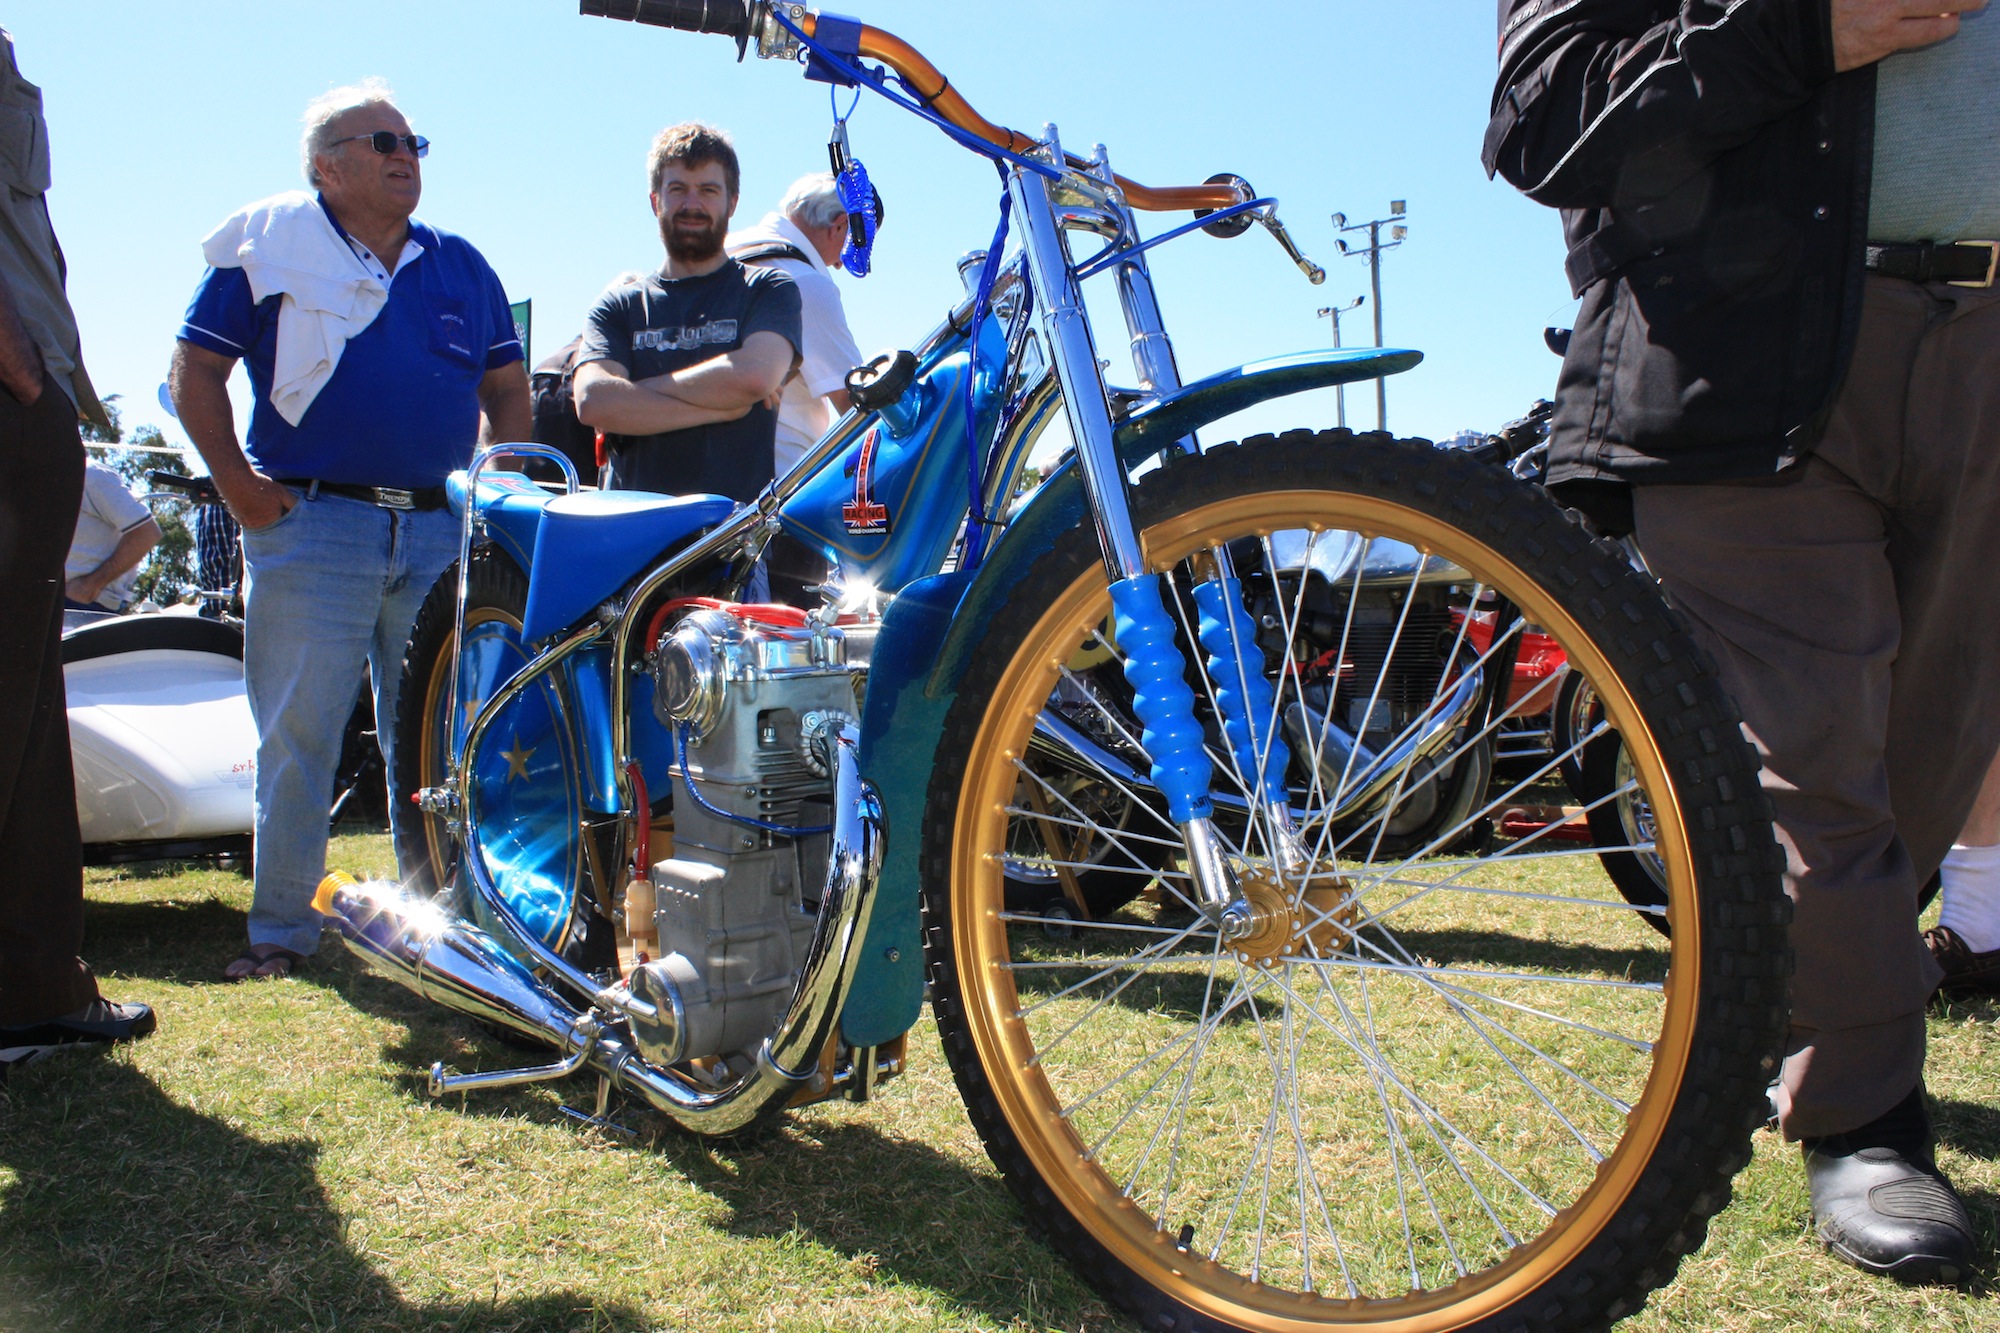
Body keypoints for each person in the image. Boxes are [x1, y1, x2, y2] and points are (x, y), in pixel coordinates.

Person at [1488, 0, 1999, 1284]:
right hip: (1748, 354)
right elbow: (1542, 113)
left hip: (1983, 351)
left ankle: (1824, 1005)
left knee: (1933, 736)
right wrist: (1806, 28)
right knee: (1810, 748)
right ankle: (1861, 1110)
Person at [169, 80, 531, 981]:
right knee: (300, 734)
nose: (405, 154)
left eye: (413, 141)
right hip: (314, 523)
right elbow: (193, 375)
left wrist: (503, 482)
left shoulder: (463, 266)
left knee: (445, 738)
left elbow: (508, 392)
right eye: (382, 142)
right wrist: (243, 491)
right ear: (327, 168)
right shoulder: (268, 251)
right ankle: (281, 931)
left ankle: (445, 922)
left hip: (440, 531)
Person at [0, 27, 157, 1067]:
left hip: (29, 392)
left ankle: (31, 990)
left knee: (25, 702)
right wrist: (19, 371)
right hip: (10, 389)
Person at [573, 122, 802, 532]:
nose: (692, 203)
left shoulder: (766, 289)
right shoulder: (618, 306)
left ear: (732, 202)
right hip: (630, 539)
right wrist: (726, 405)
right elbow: (593, 401)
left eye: (708, 190)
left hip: (732, 544)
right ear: (654, 200)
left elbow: (752, 377)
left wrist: (636, 397)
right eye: (678, 189)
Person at [728, 172, 874, 603]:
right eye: (847, 244)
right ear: (838, 227)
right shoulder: (805, 281)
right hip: (775, 510)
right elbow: (857, 403)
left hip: (696, 494)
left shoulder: (723, 254)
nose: (838, 261)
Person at [65, 460, 162, 612]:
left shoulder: (90, 475)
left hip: (85, 605)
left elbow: (146, 533)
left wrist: (90, 585)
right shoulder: (28, 483)